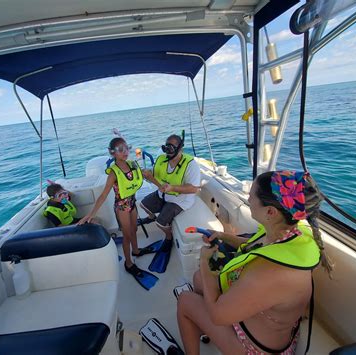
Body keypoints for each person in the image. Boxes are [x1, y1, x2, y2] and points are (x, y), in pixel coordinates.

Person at [177, 170, 333, 355]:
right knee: (198, 279)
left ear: (270, 212)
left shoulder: (270, 273)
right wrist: (223, 236)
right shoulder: (287, 231)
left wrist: (204, 262)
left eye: (251, 195)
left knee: (185, 301)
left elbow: (218, 316)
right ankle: (202, 327)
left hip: (254, 348)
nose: (248, 199)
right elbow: (255, 245)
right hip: (259, 322)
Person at [78, 138, 160, 290]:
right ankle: (128, 263)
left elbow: (146, 175)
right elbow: (103, 195)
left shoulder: (132, 164)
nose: (125, 152)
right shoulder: (113, 173)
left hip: (132, 203)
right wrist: (90, 214)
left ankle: (136, 251)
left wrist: (160, 186)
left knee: (134, 229)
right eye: (120, 150)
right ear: (112, 153)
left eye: (126, 149)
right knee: (127, 235)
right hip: (122, 207)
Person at [140, 133, 200, 273]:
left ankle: (168, 237)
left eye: (171, 148)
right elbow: (155, 178)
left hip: (181, 199)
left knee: (160, 223)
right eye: (166, 147)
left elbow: (193, 189)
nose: (167, 151)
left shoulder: (191, 164)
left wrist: (173, 188)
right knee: (143, 205)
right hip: (163, 193)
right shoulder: (161, 159)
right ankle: (151, 216)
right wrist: (148, 176)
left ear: (180, 148)